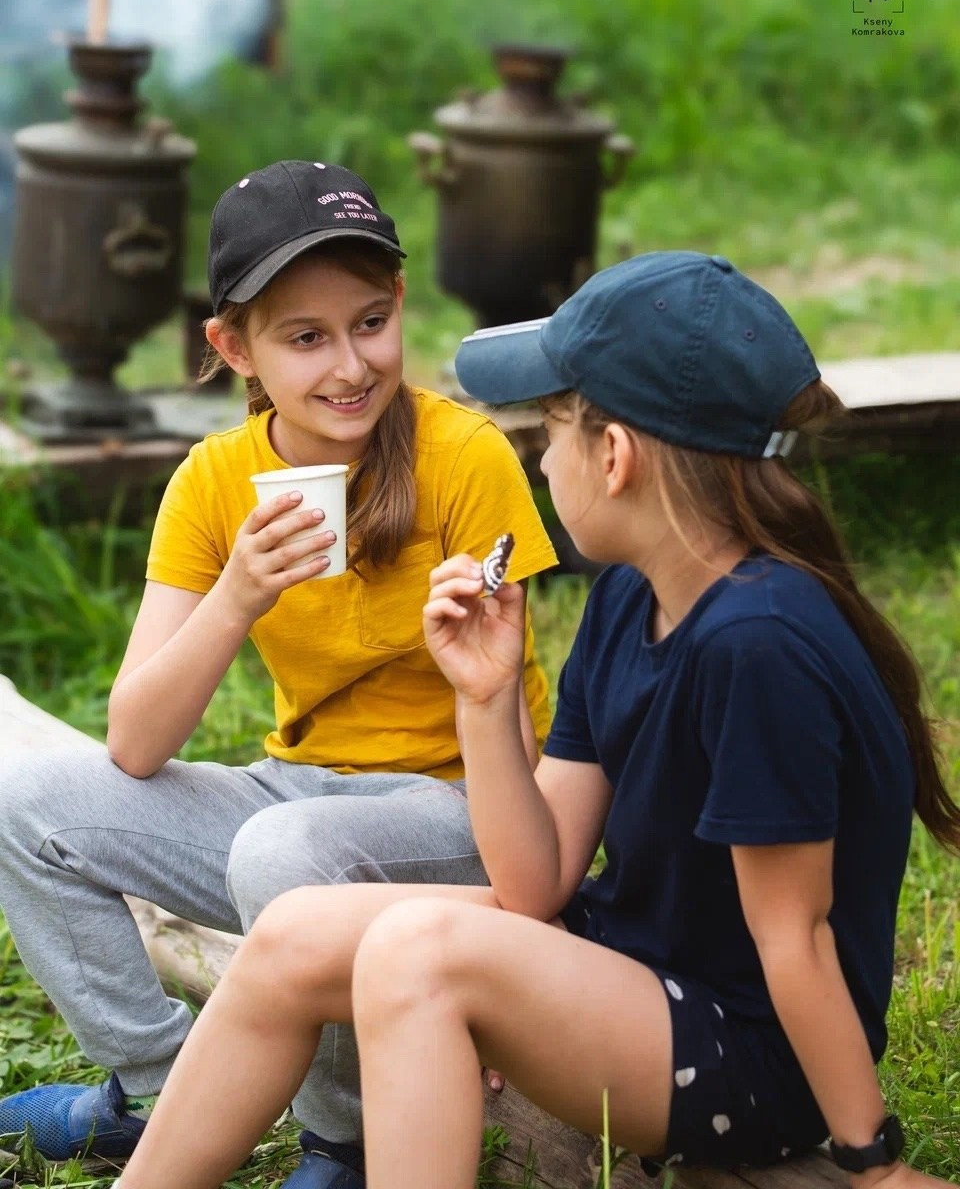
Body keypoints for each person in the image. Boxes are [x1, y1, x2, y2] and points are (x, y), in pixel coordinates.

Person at [105, 250, 959, 1189]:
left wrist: (873, 1163)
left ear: (615, 456)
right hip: (636, 966)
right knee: (294, 931)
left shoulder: (757, 644)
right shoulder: (630, 598)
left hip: (748, 1053)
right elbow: (535, 881)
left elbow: (794, 938)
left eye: (550, 429)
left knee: (416, 954)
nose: (542, 459)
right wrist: (486, 694)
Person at [0, 161, 558, 1189]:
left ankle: (342, 1137)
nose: (351, 364)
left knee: (286, 851)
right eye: (306, 337)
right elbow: (135, 743)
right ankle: (169, 1091)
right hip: (298, 791)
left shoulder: (465, 456)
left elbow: (520, 750)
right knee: (28, 801)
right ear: (233, 347)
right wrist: (236, 596)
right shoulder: (215, 482)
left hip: (460, 810)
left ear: (400, 305)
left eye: (372, 322)